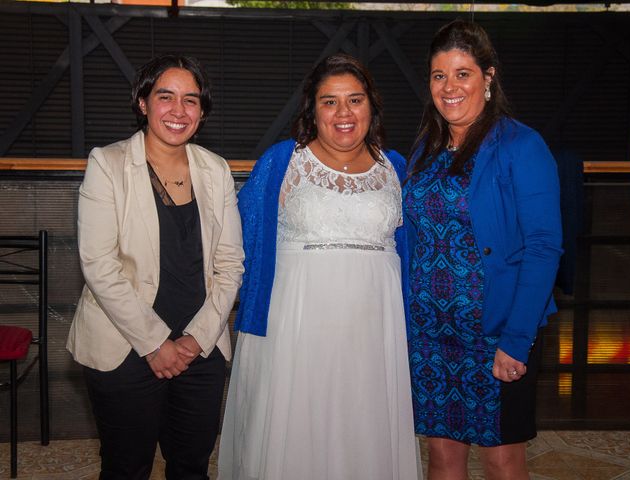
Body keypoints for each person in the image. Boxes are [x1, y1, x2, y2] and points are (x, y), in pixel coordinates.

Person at [218, 53, 420, 480]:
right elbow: (238, 240)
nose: (343, 113)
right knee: (299, 431)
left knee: (365, 425)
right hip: (298, 330)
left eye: (355, 100)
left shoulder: (396, 168)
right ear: (313, 110)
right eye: (330, 102)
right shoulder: (282, 163)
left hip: (374, 329)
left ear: (372, 106)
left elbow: (413, 253)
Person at [67, 54, 244, 479]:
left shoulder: (216, 170)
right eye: (166, 97)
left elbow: (230, 262)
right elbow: (98, 264)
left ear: (202, 111)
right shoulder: (107, 164)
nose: (179, 111)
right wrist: (155, 344)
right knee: (127, 468)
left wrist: (195, 340)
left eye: (192, 100)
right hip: (124, 347)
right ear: (143, 102)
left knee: (191, 467)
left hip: (199, 348)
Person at [403, 20, 562, 480]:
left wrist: (516, 341)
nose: (449, 87)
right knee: (443, 456)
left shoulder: (522, 146)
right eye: (438, 75)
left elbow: (544, 247)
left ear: (487, 77)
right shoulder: (425, 150)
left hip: (496, 331)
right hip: (431, 334)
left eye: (462, 73)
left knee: (502, 460)